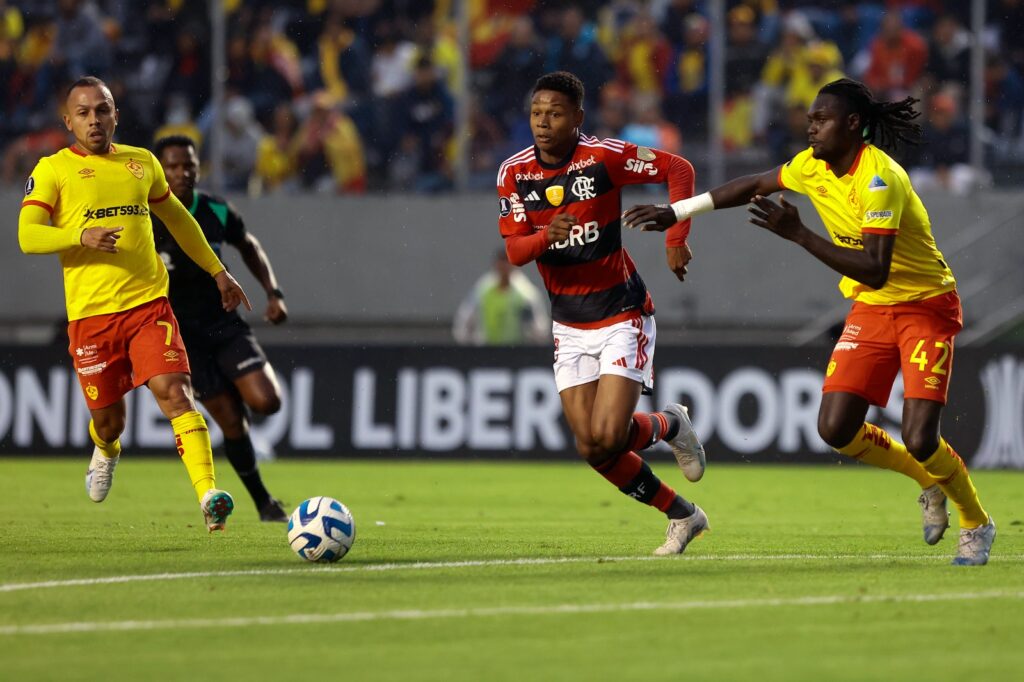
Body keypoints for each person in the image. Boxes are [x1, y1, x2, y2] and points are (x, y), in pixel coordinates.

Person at [624, 77, 996, 566]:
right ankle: (928, 482)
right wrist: (678, 211)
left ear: (853, 125)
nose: (811, 128)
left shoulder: (880, 180)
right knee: (835, 428)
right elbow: (753, 185)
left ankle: (976, 522)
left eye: (821, 120)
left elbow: (875, 266)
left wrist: (799, 234)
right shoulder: (812, 166)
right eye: (810, 120)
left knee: (922, 436)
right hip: (873, 305)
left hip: (926, 305)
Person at [18, 76, 251, 532]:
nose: (94, 119)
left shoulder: (141, 164)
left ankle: (209, 496)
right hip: (91, 318)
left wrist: (218, 271)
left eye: (102, 110)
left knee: (177, 395)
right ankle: (106, 450)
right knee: (109, 422)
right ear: (68, 121)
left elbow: (180, 222)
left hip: (149, 306)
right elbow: (27, 235)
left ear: (115, 115)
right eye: (83, 112)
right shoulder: (52, 170)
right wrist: (78, 235)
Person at [496, 71, 708, 556]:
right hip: (567, 323)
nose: (543, 123)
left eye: (554, 113)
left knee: (610, 434)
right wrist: (546, 235)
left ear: (577, 118)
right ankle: (683, 514)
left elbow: (679, 169)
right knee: (592, 447)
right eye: (536, 113)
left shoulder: (604, 158)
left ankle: (670, 425)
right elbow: (514, 252)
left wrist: (677, 237)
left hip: (620, 311)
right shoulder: (514, 173)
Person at [151, 135, 289, 522]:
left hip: (224, 324)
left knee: (267, 402)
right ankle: (264, 503)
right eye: (173, 166)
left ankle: (237, 392)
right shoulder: (145, 216)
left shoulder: (215, 210)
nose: (182, 172)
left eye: (188, 164)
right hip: (183, 337)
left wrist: (273, 292)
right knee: (230, 419)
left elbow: (248, 245)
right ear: (159, 171)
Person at [452, 249, 549, 346]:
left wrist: (531, 333)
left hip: (517, 353)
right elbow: (464, 320)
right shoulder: (483, 289)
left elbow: (540, 329)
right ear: (496, 264)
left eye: (507, 262)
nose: (504, 267)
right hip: (486, 352)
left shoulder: (526, 294)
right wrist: (470, 346)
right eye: (502, 262)